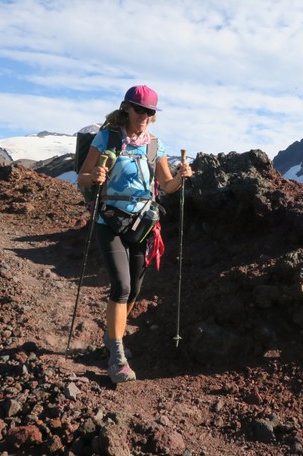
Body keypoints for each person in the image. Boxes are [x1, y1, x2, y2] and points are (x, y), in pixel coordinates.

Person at [77, 85, 192, 384]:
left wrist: (180, 178)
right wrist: (95, 176)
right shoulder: (108, 138)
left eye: (149, 112)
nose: (144, 116)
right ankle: (117, 356)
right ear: (127, 108)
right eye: (139, 109)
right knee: (122, 286)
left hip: (141, 223)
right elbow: (83, 175)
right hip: (109, 220)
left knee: (136, 289)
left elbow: (166, 186)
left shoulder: (156, 146)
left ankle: (110, 335)